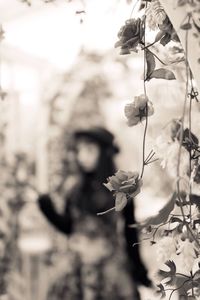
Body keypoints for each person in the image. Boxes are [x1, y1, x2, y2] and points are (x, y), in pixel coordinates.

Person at [38, 126, 151, 300]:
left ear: (105, 153)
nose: (82, 156)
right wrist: (47, 208)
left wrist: (138, 269)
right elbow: (70, 227)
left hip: (109, 268)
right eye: (79, 150)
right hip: (78, 267)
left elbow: (130, 232)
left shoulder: (121, 189)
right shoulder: (74, 187)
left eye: (89, 150)